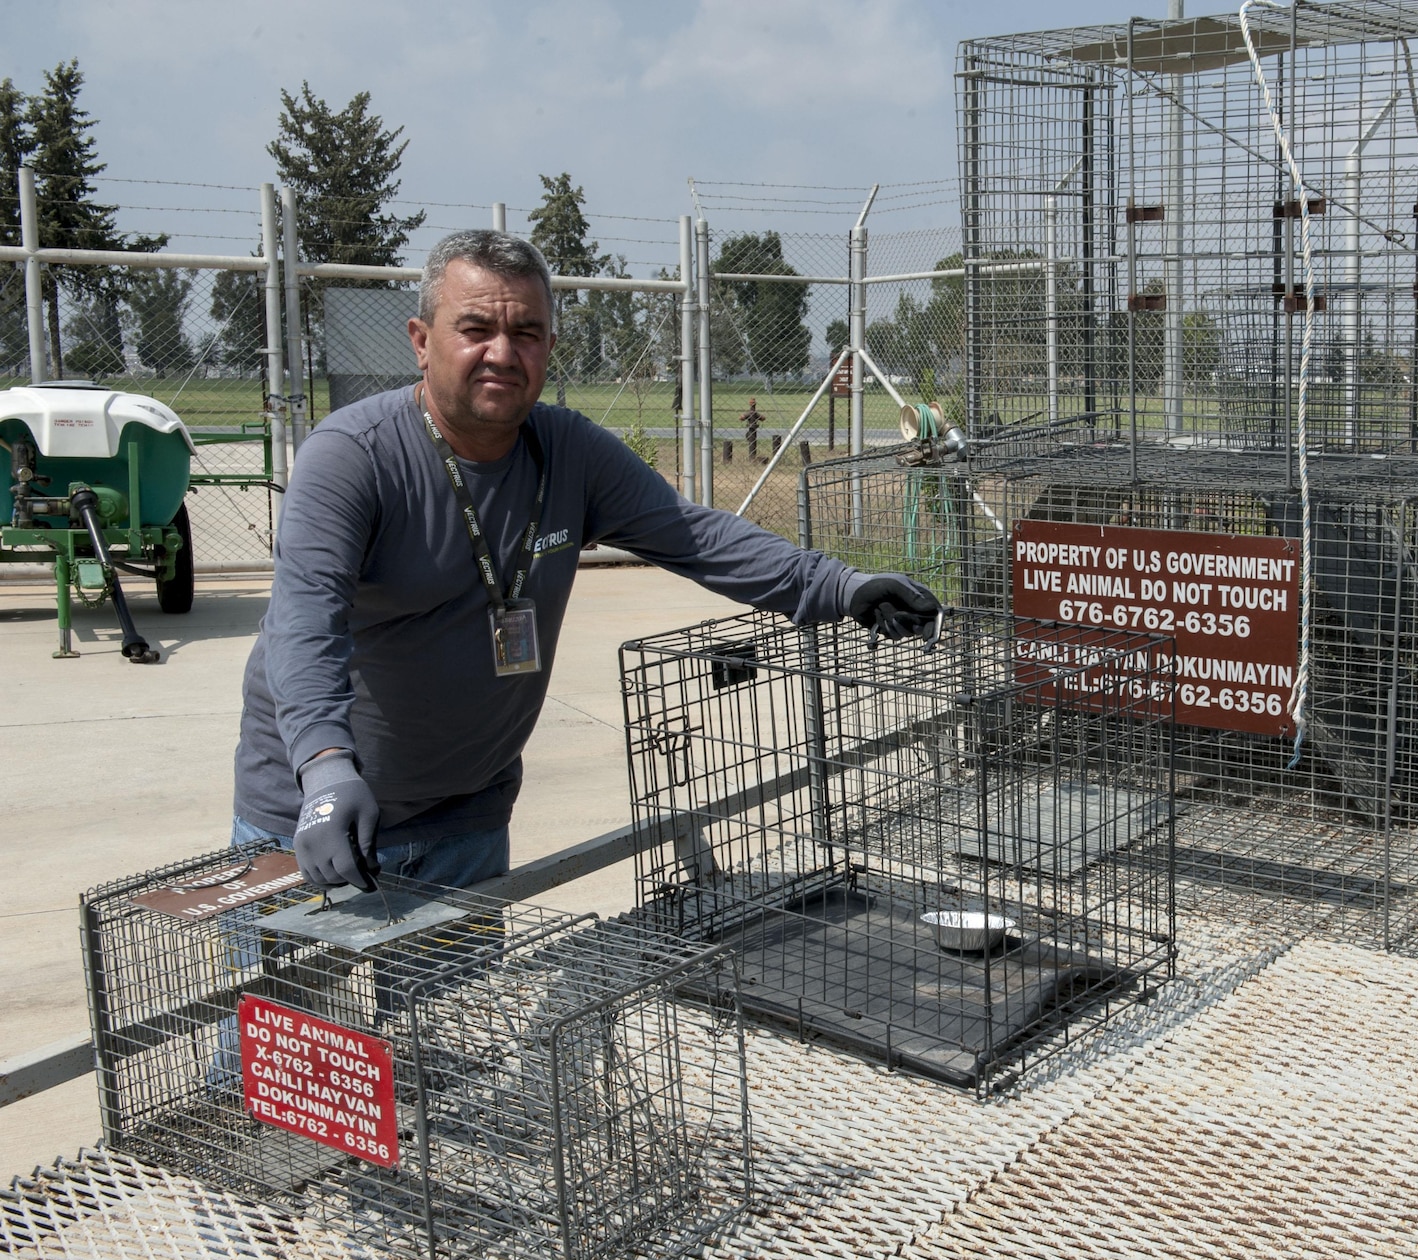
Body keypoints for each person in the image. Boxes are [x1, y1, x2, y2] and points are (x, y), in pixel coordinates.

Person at [232, 230, 939, 894]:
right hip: (317, 815)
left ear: (548, 346)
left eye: (526, 333)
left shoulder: (566, 451)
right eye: (476, 329)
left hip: (465, 817)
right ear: (421, 342)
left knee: (447, 1020)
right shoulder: (353, 456)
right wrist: (324, 767)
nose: (502, 353)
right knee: (286, 1024)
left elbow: (696, 535)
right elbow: (302, 624)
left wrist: (841, 585)